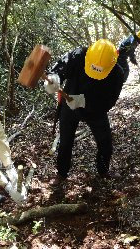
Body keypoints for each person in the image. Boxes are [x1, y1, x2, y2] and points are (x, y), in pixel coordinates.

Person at [43, 39, 124, 185]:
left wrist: (83, 102)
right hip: (69, 104)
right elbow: (61, 67)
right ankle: (61, 173)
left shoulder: (117, 73)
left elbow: (109, 103)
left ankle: (103, 170)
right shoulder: (79, 55)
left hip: (96, 109)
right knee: (65, 142)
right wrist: (54, 78)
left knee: (105, 144)